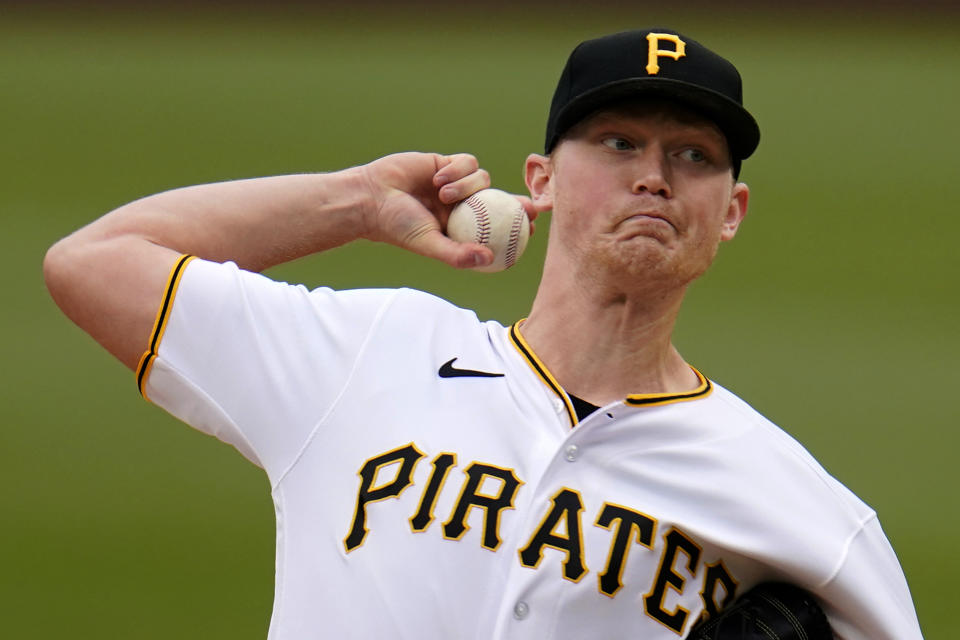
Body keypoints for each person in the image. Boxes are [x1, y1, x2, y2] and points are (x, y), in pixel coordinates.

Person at [44, 28, 922, 639]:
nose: (653, 176)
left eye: (692, 155)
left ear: (729, 212)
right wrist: (353, 203)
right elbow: (94, 261)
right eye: (617, 142)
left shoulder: (801, 508)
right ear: (539, 180)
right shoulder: (366, 355)